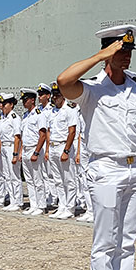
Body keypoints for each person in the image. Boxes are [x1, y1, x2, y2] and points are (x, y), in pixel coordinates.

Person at [58, 24, 136, 270]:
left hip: (134, 169)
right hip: (104, 170)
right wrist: (102, 54)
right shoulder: (91, 90)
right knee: (105, 242)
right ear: (108, 53)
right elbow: (64, 80)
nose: (126, 56)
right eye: (120, 51)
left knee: (127, 240)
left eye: (128, 51)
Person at [47, 83, 78, 219]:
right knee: (58, 180)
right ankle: (62, 206)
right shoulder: (53, 111)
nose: (55, 98)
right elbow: (49, 131)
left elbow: (72, 132)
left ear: (63, 95)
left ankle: (70, 208)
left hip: (63, 146)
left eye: (57, 95)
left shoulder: (69, 110)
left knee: (69, 179)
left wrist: (66, 150)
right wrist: (48, 149)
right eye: (53, 96)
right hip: (53, 146)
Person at [19, 88, 48, 216]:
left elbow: (42, 135)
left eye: (25, 100)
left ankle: (41, 206)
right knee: (29, 180)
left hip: (34, 149)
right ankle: (33, 204)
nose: (23, 102)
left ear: (32, 100)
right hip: (25, 149)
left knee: (38, 179)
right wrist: (20, 152)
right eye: (23, 100)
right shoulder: (25, 116)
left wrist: (36, 152)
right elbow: (23, 135)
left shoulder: (39, 114)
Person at [0, 93, 24, 211]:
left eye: (4, 104)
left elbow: (17, 137)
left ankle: (18, 202)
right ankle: (12, 200)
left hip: (11, 147)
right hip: (4, 147)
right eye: (1, 104)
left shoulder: (14, 118)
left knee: (14, 176)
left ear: (11, 104)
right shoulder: (3, 118)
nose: (2, 106)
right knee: (7, 176)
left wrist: (15, 154)